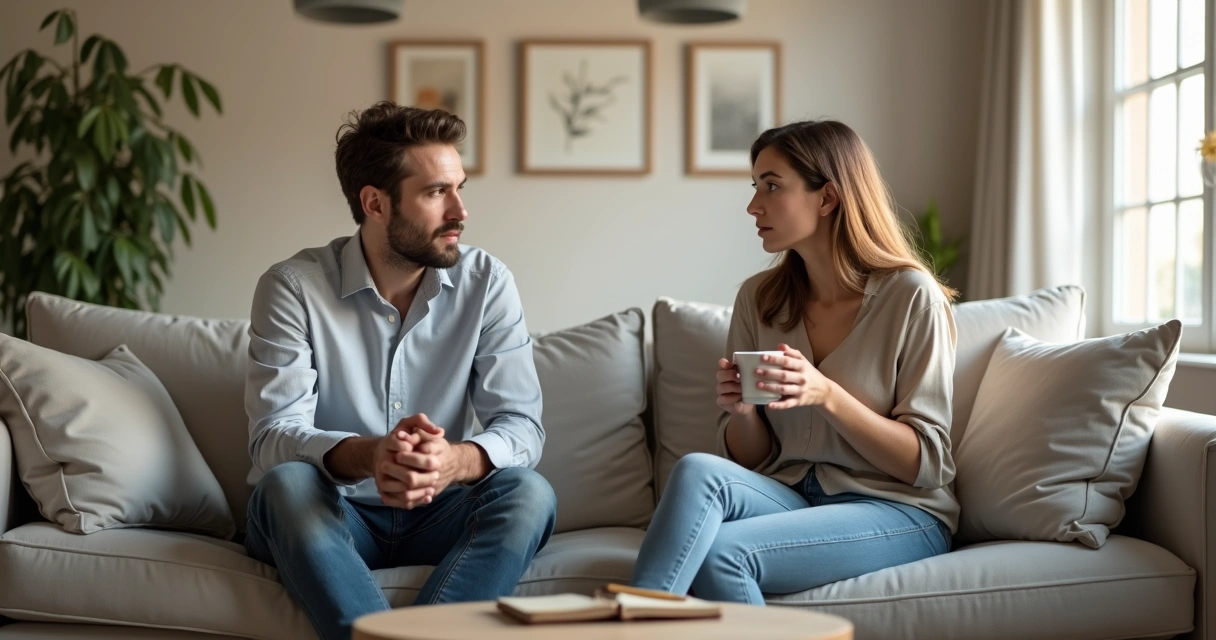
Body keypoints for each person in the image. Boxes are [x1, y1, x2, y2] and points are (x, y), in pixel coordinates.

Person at [242, 102, 556, 640]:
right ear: (375, 203)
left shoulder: (487, 283)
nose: (460, 211)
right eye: (437, 192)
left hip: (442, 511)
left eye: (460, 188)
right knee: (285, 485)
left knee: (529, 494)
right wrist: (371, 454)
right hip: (332, 510)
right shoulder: (293, 287)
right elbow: (272, 437)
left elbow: (522, 426)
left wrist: (454, 460)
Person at [631, 119, 958, 603]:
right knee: (697, 469)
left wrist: (826, 394)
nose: (752, 205)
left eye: (772, 186)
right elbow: (754, 459)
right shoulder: (760, 299)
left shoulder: (911, 298)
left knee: (724, 552)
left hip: (898, 509)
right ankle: (631, 623)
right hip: (792, 497)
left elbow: (927, 464)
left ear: (826, 198)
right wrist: (743, 411)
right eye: (755, 186)